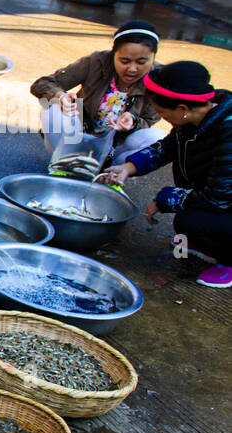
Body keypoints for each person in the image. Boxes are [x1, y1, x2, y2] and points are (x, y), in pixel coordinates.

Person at [99, 62, 232, 288]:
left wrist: (165, 198)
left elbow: (218, 196)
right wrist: (129, 167)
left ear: (182, 108)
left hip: (224, 199)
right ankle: (209, 243)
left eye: (162, 112)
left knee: (192, 219)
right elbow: (167, 148)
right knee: (186, 220)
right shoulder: (195, 115)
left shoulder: (228, 132)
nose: (161, 116)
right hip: (218, 199)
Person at [30, 21, 165, 172]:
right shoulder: (96, 62)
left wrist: (133, 122)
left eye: (142, 62)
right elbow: (42, 83)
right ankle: (65, 165)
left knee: (156, 138)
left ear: (153, 57)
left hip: (115, 150)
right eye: (124, 61)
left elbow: (148, 121)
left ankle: (113, 173)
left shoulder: (159, 79)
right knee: (51, 108)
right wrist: (60, 96)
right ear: (114, 54)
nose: (132, 69)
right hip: (77, 141)